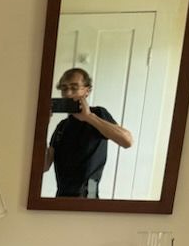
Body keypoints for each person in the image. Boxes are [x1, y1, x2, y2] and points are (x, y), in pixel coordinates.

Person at [43, 67, 134, 198]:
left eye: (74, 88)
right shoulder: (61, 127)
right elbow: (44, 166)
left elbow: (127, 141)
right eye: (64, 88)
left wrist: (89, 117)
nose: (68, 93)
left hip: (89, 198)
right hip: (61, 199)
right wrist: (43, 125)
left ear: (87, 91)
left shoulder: (98, 114)